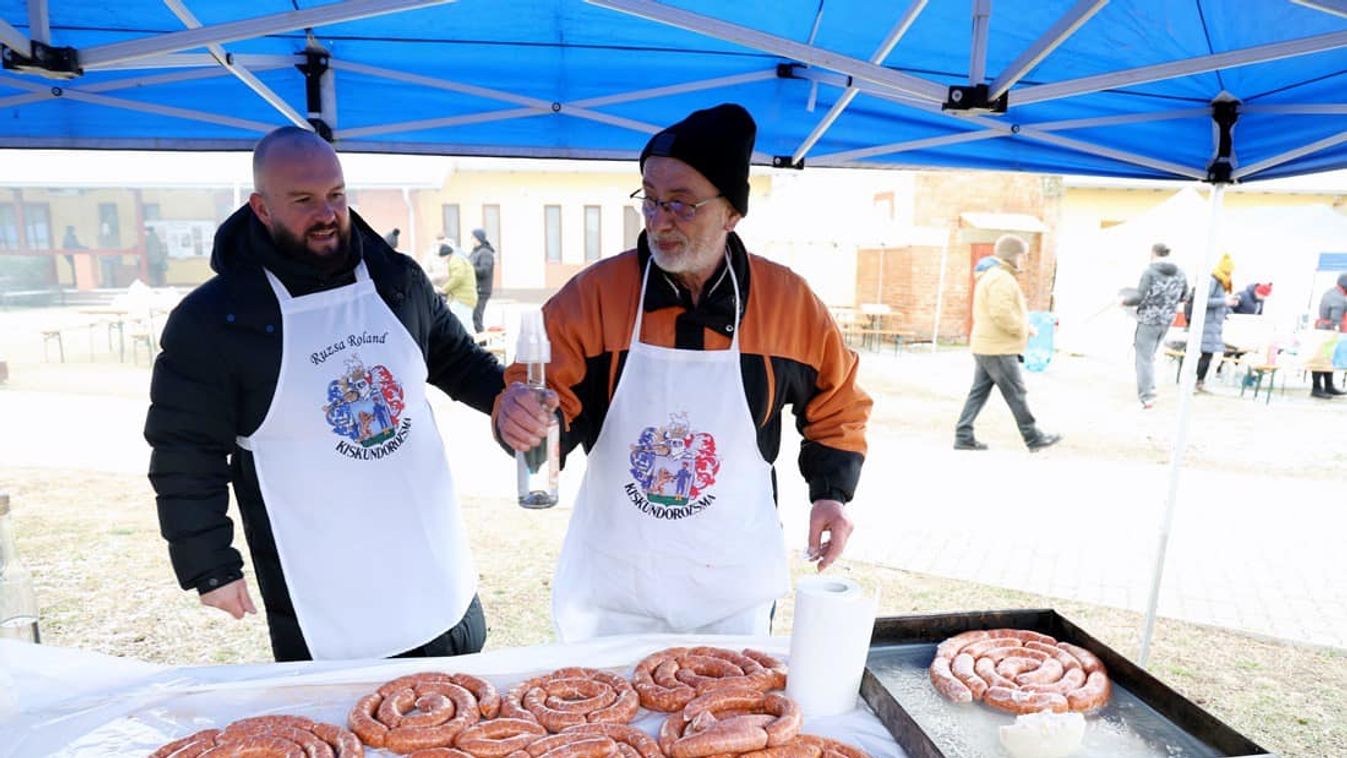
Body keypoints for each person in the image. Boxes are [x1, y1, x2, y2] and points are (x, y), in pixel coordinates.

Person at [493, 103, 871, 641]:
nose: (659, 220)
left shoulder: (788, 303)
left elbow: (838, 405)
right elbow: (545, 401)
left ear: (732, 212)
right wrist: (523, 420)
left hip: (732, 595)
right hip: (616, 592)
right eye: (649, 199)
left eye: (681, 205)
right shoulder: (595, 297)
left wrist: (831, 493)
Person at [143, 127, 503, 662]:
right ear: (261, 208)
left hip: (434, 565)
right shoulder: (214, 319)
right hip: (322, 589)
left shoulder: (396, 280)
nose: (327, 214)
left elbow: (456, 359)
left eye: (336, 195)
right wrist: (210, 565)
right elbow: (183, 450)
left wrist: (505, 398)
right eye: (304, 200)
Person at [954, 234, 1060, 452]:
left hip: (988, 345)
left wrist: (1024, 326)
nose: (1024, 260)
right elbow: (1001, 313)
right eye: (1022, 255)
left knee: (979, 393)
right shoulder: (1001, 278)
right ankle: (1033, 437)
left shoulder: (994, 276)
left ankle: (963, 434)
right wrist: (1023, 328)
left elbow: (1003, 311)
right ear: (1013, 255)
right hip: (998, 347)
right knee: (1017, 393)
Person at [1122, 242, 1187, 409]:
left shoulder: (1150, 272)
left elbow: (1139, 297)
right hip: (1167, 319)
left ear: (1153, 253)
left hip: (1149, 319)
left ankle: (1147, 395)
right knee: (1150, 356)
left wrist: (1123, 301)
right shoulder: (1180, 272)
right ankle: (1150, 388)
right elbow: (1185, 295)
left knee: (1144, 358)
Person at [1194, 253, 1241, 393]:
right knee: (1206, 354)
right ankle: (1197, 382)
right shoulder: (1213, 281)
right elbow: (1203, 301)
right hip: (1207, 324)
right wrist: (1224, 302)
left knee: (1208, 355)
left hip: (1213, 325)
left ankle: (1199, 382)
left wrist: (1227, 307)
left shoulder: (1220, 282)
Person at [1310, 273, 1347, 398]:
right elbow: (1336, 320)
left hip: (1323, 330)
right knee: (1321, 360)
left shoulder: (1332, 292)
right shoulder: (1339, 298)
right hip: (1328, 332)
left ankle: (1329, 386)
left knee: (1327, 360)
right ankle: (1316, 388)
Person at [440, 241, 478, 333]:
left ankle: (467, 345)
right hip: (467, 297)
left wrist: (444, 289)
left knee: (460, 324)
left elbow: (458, 277)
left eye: (442, 257)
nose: (442, 260)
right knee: (467, 325)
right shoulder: (460, 259)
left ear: (447, 255)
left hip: (462, 298)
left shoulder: (455, 260)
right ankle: (472, 344)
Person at [468, 229, 495, 333]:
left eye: (473, 237)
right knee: (473, 317)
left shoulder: (485, 253)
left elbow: (484, 271)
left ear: (478, 238)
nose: (471, 240)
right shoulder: (474, 252)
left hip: (482, 290)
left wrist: (469, 268)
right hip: (474, 289)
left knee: (477, 317)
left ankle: (482, 343)